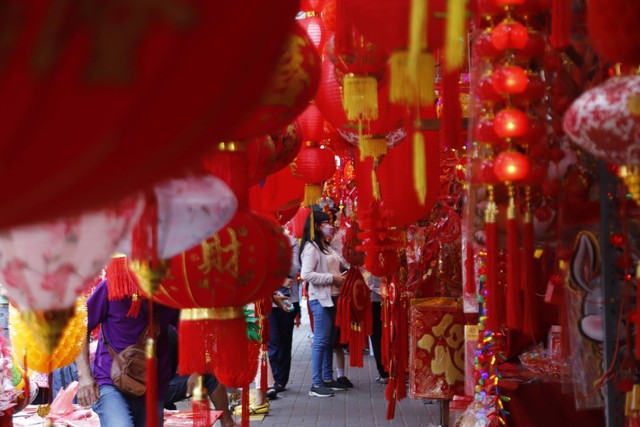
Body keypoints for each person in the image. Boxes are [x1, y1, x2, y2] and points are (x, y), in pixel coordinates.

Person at [76, 279, 178, 426]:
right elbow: (81, 328)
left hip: (153, 385)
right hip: (111, 381)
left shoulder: (170, 291)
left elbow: (189, 326)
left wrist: (198, 370)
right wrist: (84, 376)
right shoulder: (110, 286)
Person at [300, 209, 348, 398]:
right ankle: (316, 383)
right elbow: (306, 275)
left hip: (333, 297)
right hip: (320, 299)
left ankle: (327, 378)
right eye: (327, 222)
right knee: (320, 341)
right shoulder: (311, 247)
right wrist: (331, 278)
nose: (331, 225)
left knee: (328, 341)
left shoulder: (325, 246)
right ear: (318, 226)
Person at [164, 326, 238, 427]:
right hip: (151, 389)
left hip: (159, 383)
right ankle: (227, 422)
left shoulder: (170, 327)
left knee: (206, 372)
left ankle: (227, 421)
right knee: (210, 375)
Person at [267, 234, 300, 397]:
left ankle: (281, 380)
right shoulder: (261, 239)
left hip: (290, 299)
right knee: (273, 341)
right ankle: (271, 381)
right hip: (269, 301)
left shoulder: (291, 241)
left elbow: (294, 267)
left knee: (286, 340)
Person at [367, 274, 389, 384]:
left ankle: (383, 371)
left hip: (376, 299)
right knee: (385, 334)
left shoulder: (368, 261)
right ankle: (386, 370)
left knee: (376, 335)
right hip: (388, 298)